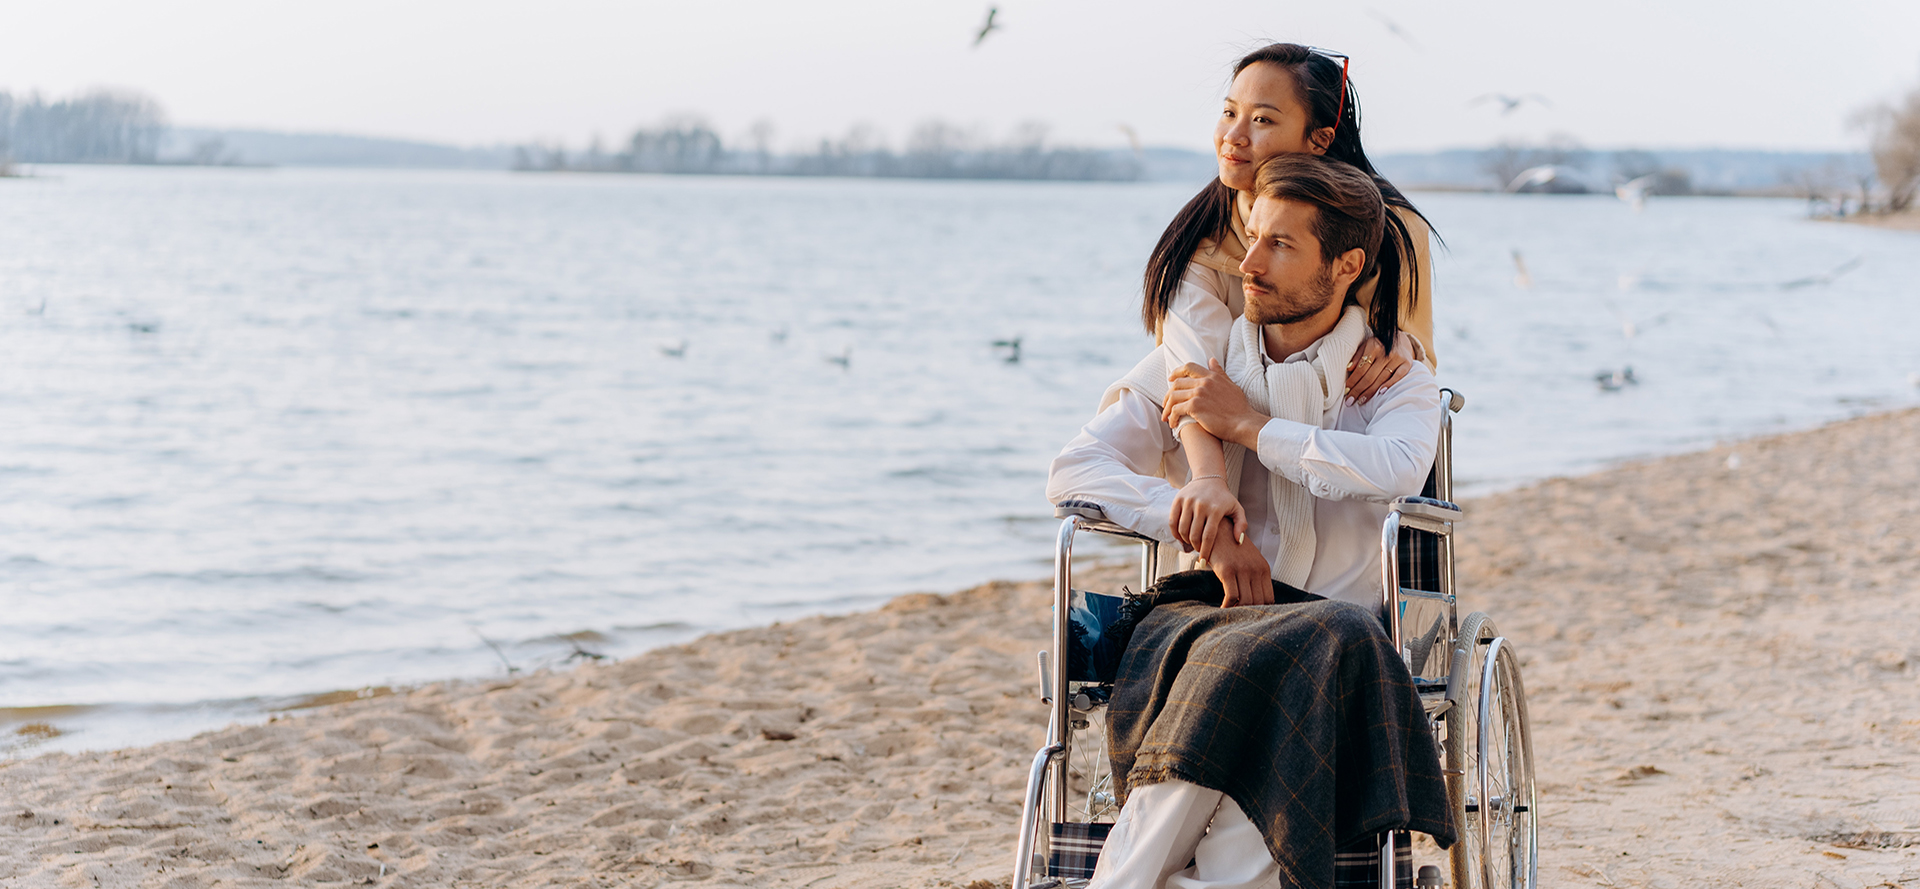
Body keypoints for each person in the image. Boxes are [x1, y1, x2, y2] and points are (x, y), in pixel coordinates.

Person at [1045, 154, 1452, 889]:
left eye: (1281, 245)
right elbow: (1074, 470)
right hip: (1208, 616)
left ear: (1346, 265)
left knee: (1320, 639)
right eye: (1251, 238)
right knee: (1276, 654)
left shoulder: (1390, 377)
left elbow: (1395, 466)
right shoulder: (1198, 369)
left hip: (1336, 634)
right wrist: (1193, 515)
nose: (1249, 265)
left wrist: (1251, 427)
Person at [1146, 43, 1440, 570]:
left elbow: (1409, 358)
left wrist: (1397, 344)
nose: (1234, 137)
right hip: (1219, 455)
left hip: (1337, 464)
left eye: (1261, 120)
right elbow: (1192, 379)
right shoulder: (1202, 243)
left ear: (1319, 140)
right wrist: (1213, 495)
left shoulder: (1391, 232)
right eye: (1229, 112)